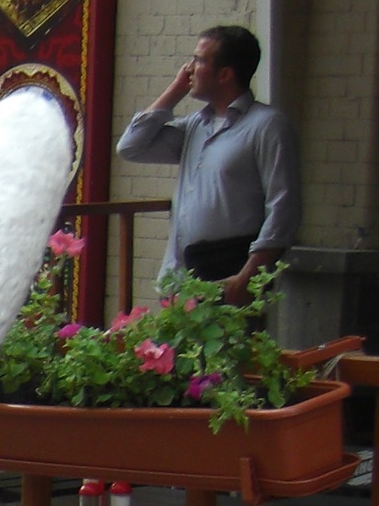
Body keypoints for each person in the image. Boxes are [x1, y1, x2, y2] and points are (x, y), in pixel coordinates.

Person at [116, 24, 300, 304]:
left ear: (225, 74)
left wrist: (248, 277)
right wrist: (175, 90)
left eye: (199, 60)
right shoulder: (195, 126)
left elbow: (283, 207)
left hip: (230, 275)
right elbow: (131, 147)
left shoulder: (267, 126)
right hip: (181, 278)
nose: (188, 68)